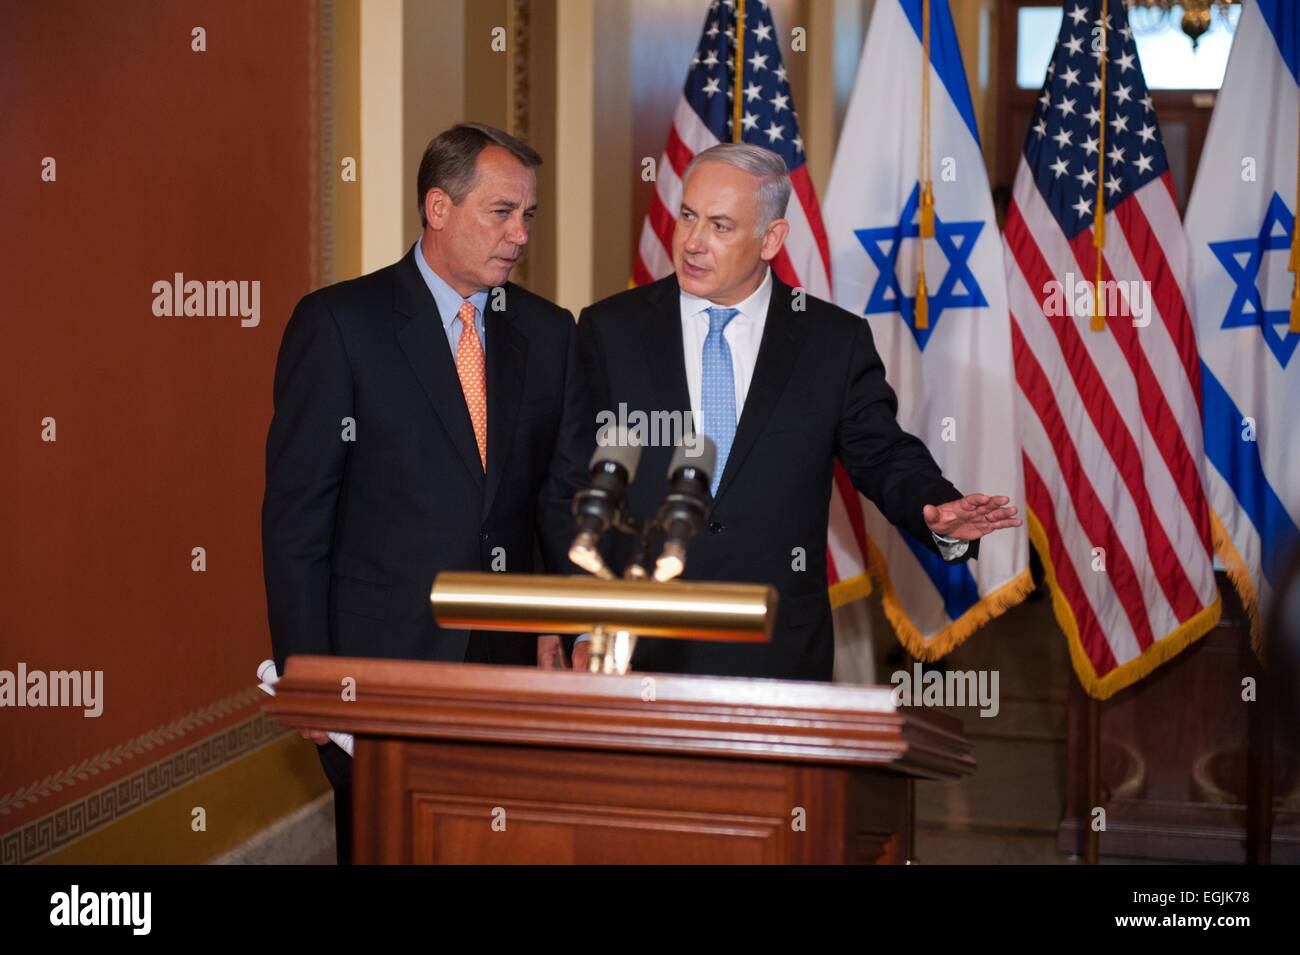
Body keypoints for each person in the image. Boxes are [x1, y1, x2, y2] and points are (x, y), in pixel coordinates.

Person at [571, 143, 1020, 680]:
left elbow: (881, 451)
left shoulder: (830, 340)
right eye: (688, 215)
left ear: (771, 239)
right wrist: (575, 623)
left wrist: (935, 507)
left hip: (776, 645)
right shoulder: (610, 330)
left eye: (720, 226)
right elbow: (566, 482)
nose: (692, 242)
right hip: (636, 642)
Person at [261, 123, 588, 862]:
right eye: (501, 212)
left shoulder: (548, 332)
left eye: (528, 216)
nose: (519, 234)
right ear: (438, 208)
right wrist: (307, 670)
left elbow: (557, 503)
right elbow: (296, 520)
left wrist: (557, 625)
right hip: (381, 668)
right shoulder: (342, 324)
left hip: (508, 672)